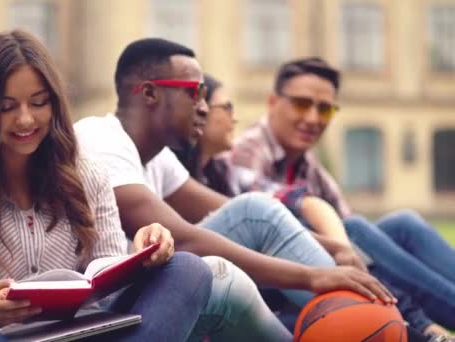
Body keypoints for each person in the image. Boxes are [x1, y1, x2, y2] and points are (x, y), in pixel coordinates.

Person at [0, 30, 214, 342]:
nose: (25, 120)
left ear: (54, 104)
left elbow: (106, 271)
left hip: (88, 331)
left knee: (188, 269)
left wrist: (144, 252)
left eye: (38, 103)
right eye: (8, 107)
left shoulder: (87, 172)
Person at [74, 38, 395, 340]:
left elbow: (229, 213)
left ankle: (385, 322)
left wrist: (329, 245)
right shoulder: (101, 139)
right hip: (107, 308)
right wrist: (311, 275)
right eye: (195, 93)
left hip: (160, 290)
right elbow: (184, 238)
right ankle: (390, 325)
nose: (204, 107)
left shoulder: (158, 157)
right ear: (149, 94)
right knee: (237, 247)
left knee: (255, 217)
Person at [174, 72, 453, 339]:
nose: (313, 118)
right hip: (269, 285)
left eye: (326, 110)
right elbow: (289, 210)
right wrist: (340, 247)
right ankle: (418, 326)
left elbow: (336, 215)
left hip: (288, 270)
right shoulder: (245, 152)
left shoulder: (219, 171)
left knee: (398, 225)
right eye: (302, 104)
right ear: (273, 103)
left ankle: (416, 322)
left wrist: (344, 247)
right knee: (351, 232)